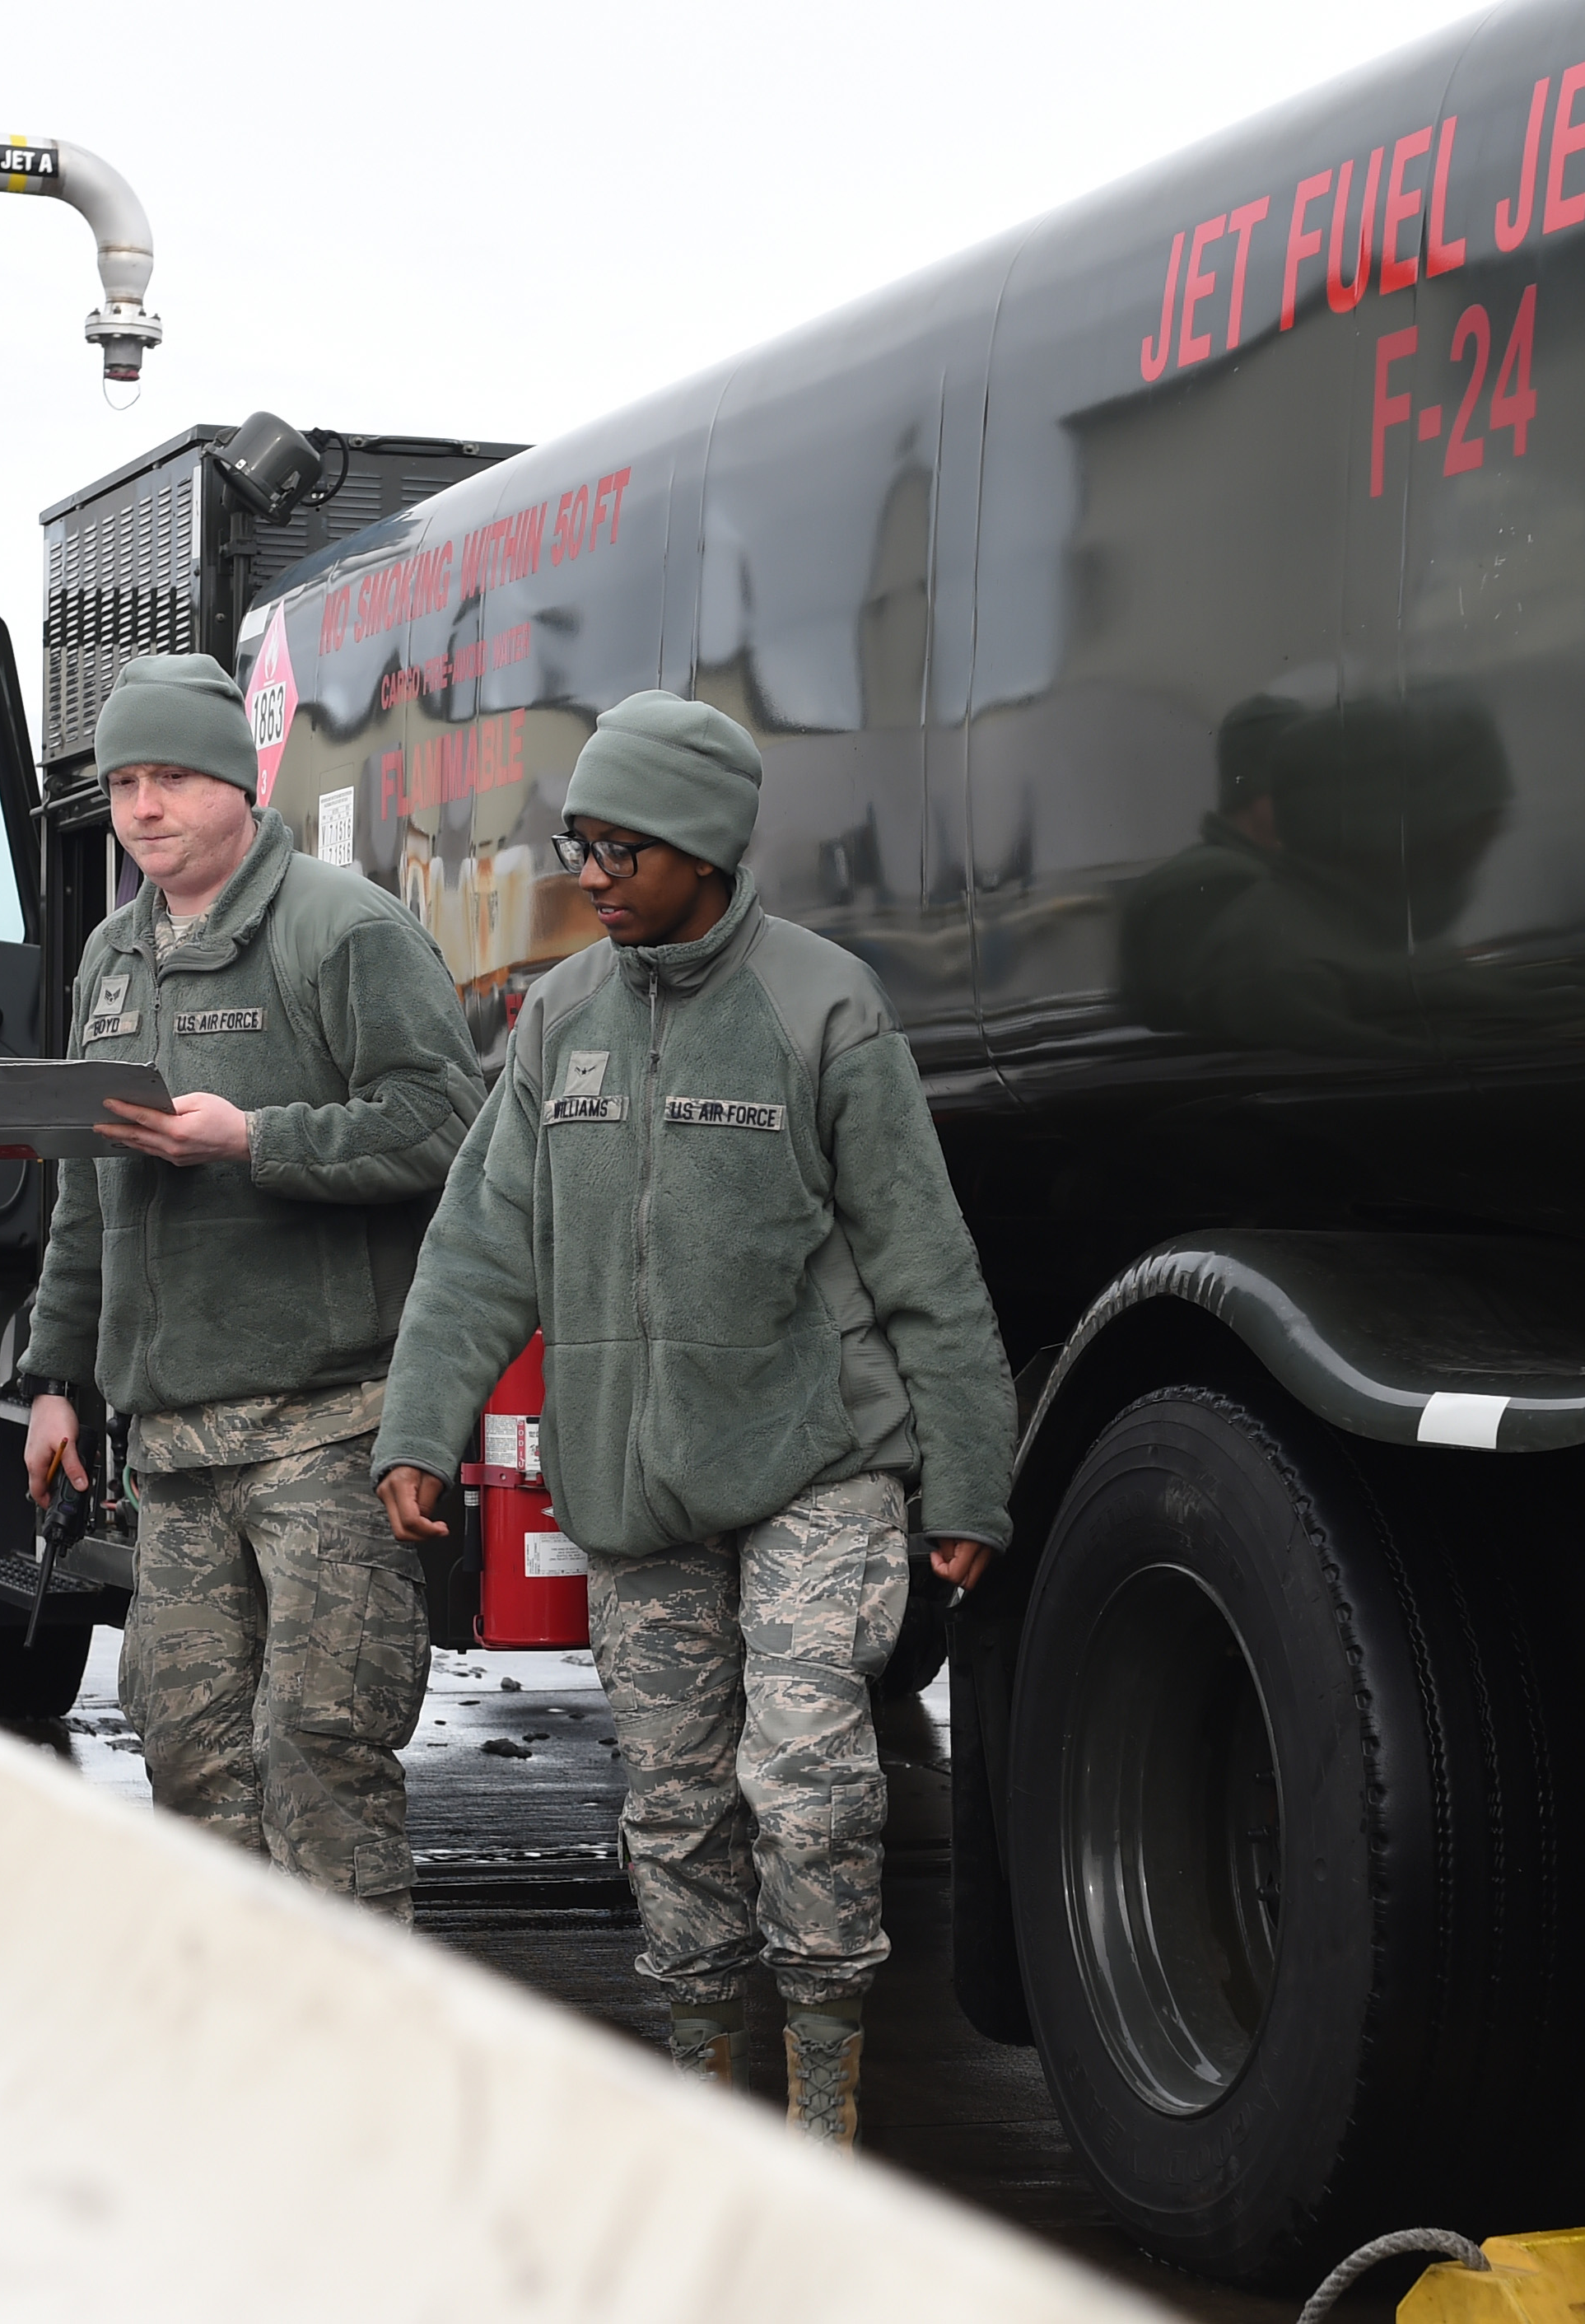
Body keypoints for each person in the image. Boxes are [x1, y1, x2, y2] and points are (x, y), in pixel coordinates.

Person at [371, 690, 1014, 2147]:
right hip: (634, 1480)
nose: (586, 872)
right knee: (669, 1806)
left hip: (817, 1460)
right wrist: (423, 1426)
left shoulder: (822, 1006)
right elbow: (480, 1239)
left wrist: (967, 1479)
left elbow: (924, 1259)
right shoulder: (562, 1019)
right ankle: (707, 2095)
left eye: (617, 846)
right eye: (576, 841)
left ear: (705, 850)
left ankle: (828, 2101)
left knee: (806, 1785)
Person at [17, 651, 482, 1921]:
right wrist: (54, 1380)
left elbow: (450, 1128)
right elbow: (82, 1190)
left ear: (237, 780)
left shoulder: (343, 930)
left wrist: (256, 1140)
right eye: (122, 783)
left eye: (169, 778)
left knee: (321, 1750)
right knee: (186, 1750)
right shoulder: (112, 959)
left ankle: (355, 2064)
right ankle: (243, 2060)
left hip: (325, 1428)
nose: (142, 809)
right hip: (173, 1443)